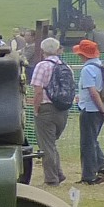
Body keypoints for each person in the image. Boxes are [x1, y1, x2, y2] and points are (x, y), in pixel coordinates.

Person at [27, 37, 71, 187]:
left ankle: (51, 179)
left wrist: (36, 108)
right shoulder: (65, 66)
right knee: (51, 144)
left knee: (46, 145)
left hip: (46, 108)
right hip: (62, 110)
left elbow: (38, 91)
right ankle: (58, 173)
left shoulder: (42, 66)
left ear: (43, 50)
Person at [73, 39, 104, 184]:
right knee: (92, 140)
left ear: (83, 54)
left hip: (91, 109)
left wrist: (103, 111)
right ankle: (102, 167)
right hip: (102, 108)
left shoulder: (87, 69)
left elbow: (93, 92)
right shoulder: (102, 66)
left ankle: (89, 176)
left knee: (87, 143)